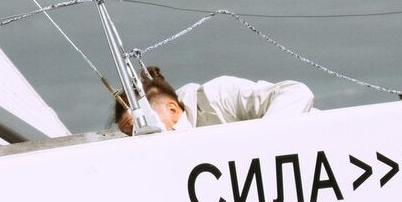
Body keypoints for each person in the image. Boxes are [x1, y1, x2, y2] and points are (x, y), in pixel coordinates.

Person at [114, 67, 314, 135]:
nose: (137, 137)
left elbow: (296, 92)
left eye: (140, 125)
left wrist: (259, 142)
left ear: (172, 109)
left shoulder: (218, 96)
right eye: (130, 134)